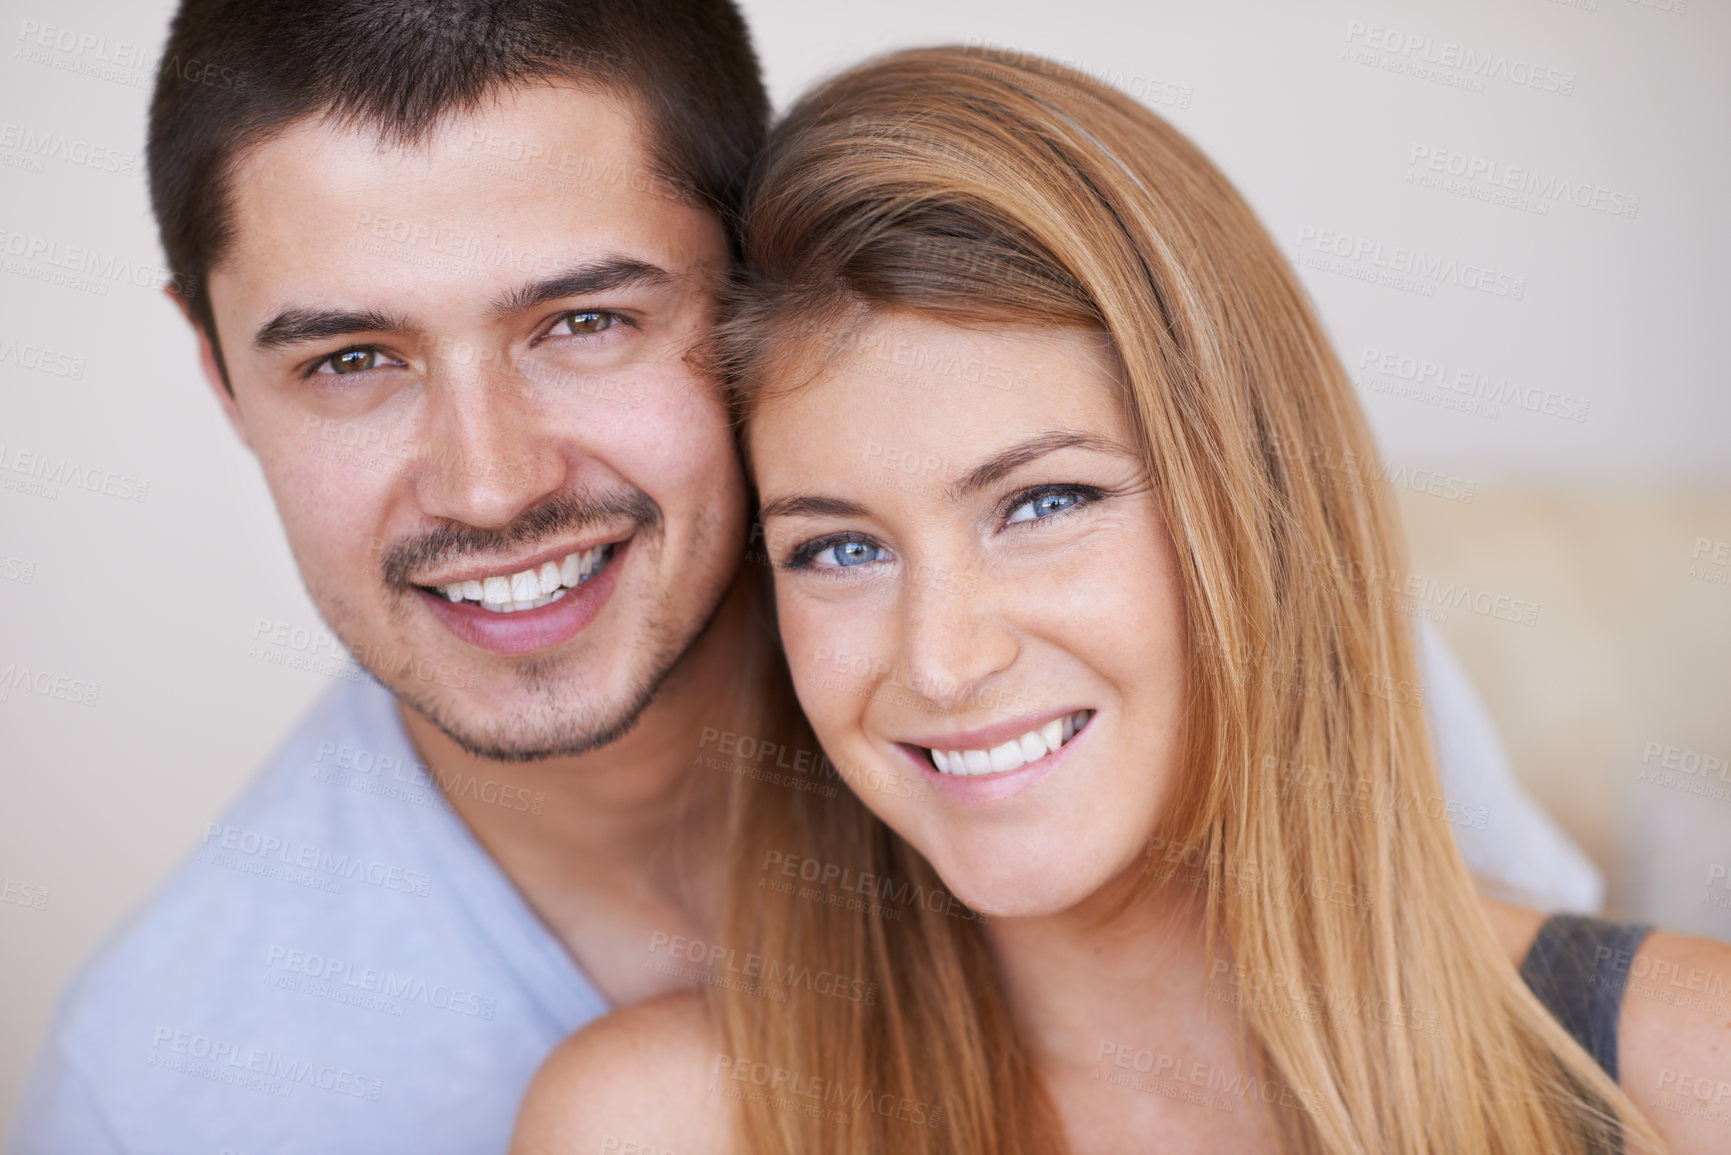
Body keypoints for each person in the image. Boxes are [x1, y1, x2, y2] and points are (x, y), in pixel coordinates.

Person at [9, 5, 1593, 1152]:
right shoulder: (168, 1090)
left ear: (752, 284)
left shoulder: (1165, 646)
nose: (489, 483)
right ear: (220, 377)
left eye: (583, 322)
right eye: (352, 358)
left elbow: (1525, 1035)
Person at [511, 46, 1731, 1154]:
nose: (941, 660)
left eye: (1042, 504)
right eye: (839, 551)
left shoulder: (1685, 1068)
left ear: (1257, 515)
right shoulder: (663, 1125)